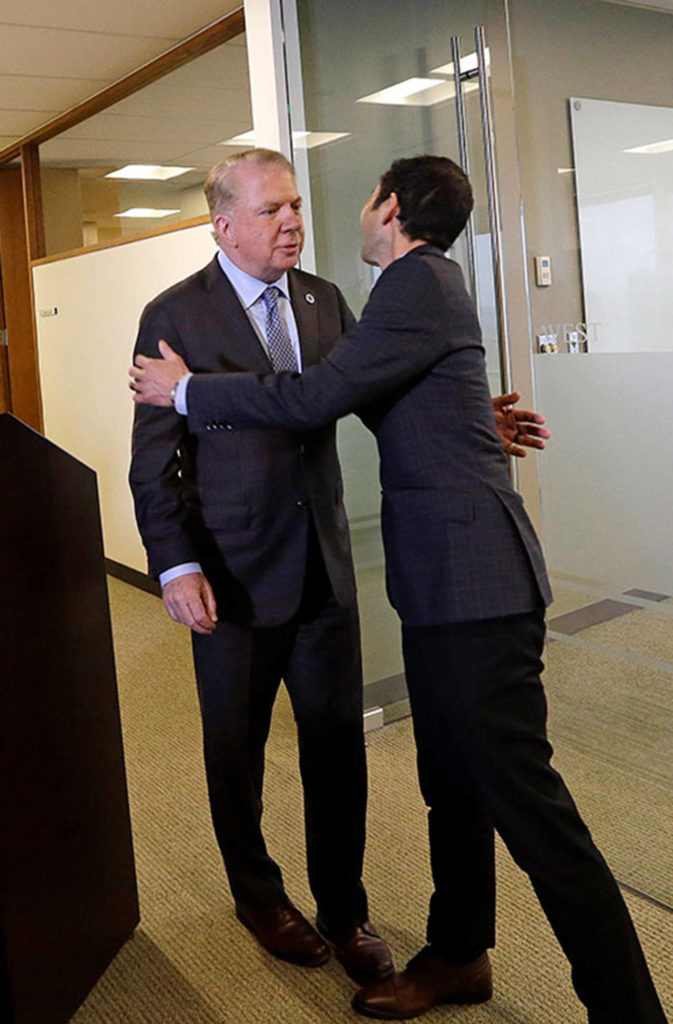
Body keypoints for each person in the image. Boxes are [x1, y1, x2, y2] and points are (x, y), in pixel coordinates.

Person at [130, 154, 666, 1024]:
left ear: (390, 209)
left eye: (296, 205)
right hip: (234, 569)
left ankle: (352, 913)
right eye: (272, 209)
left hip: (387, 573)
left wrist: (191, 389)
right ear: (223, 225)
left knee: (373, 754)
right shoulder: (175, 311)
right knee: (282, 752)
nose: (294, 221)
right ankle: (297, 907)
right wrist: (175, 561)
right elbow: (157, 457)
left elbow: (329, 393)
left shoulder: (342, 297)